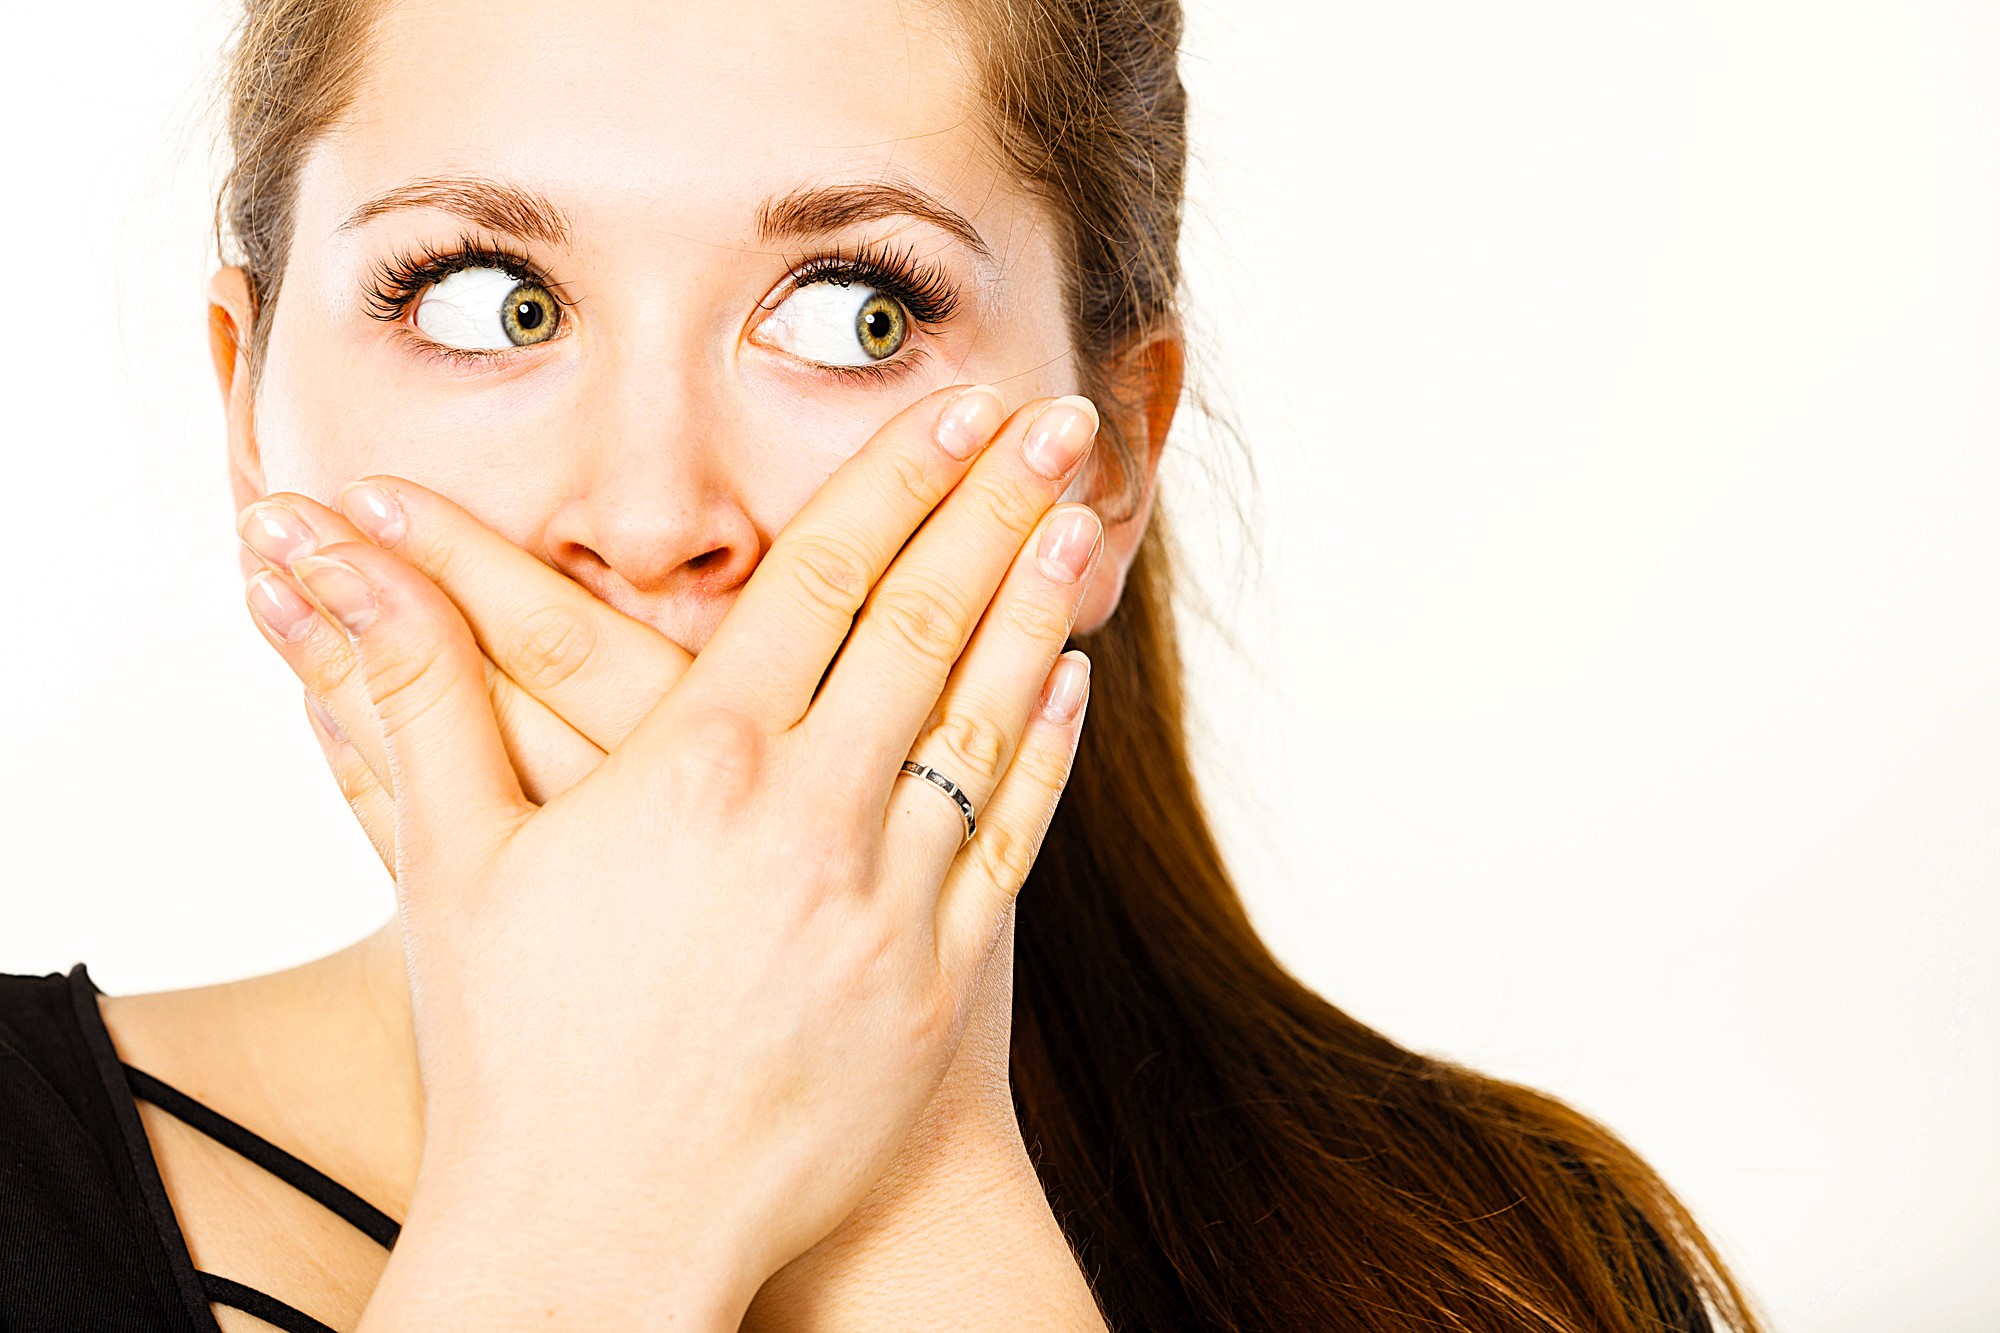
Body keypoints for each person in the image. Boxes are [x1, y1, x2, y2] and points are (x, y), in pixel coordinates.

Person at [0, 0, 1765, 1329]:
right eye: (485, 297)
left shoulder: (1503, 1268)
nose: (648, 512)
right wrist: (579, 1204)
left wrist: (916, 1186)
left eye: (855, 311)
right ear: (246, 403)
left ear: (1109, 452)